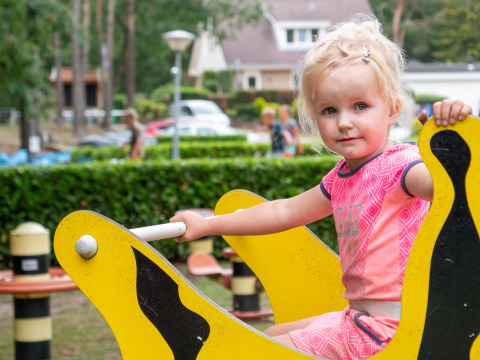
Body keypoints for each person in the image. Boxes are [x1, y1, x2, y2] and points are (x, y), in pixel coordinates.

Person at [170, 16, 472, 360]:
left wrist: (452, 140)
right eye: (329, 110)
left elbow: (452, 191)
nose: (344, 121)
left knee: (258, 351)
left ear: (392, 109)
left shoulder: (402, 167)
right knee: (267, 335)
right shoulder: (341, 178)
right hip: (360, 318)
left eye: (360, 106)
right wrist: (208, 224)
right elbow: (282, 210)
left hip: (393, 329)